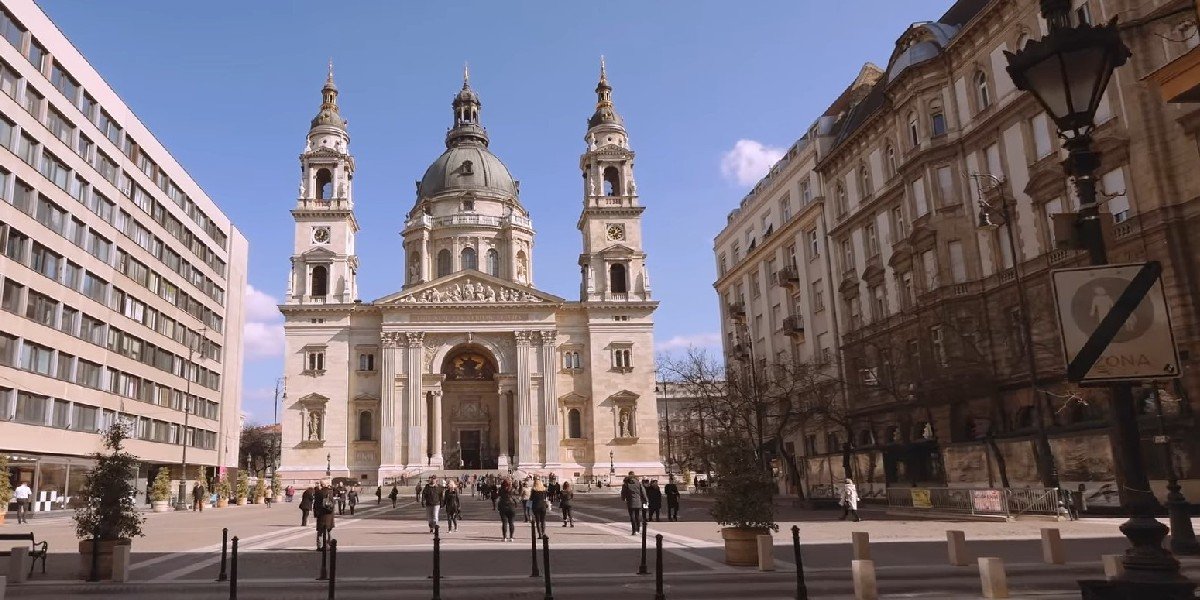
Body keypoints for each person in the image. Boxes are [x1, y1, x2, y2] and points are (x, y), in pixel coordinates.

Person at [314, 480, 337, 551]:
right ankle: (331, 545)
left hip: (322, 515)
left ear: (321, 485)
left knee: (320, 532)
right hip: (329, 515)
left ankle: (319, 546)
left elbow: (316, 505)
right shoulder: (330, 492)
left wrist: (316, 513)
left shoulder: (319, 493)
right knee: (329, 530)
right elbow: (333, 504)